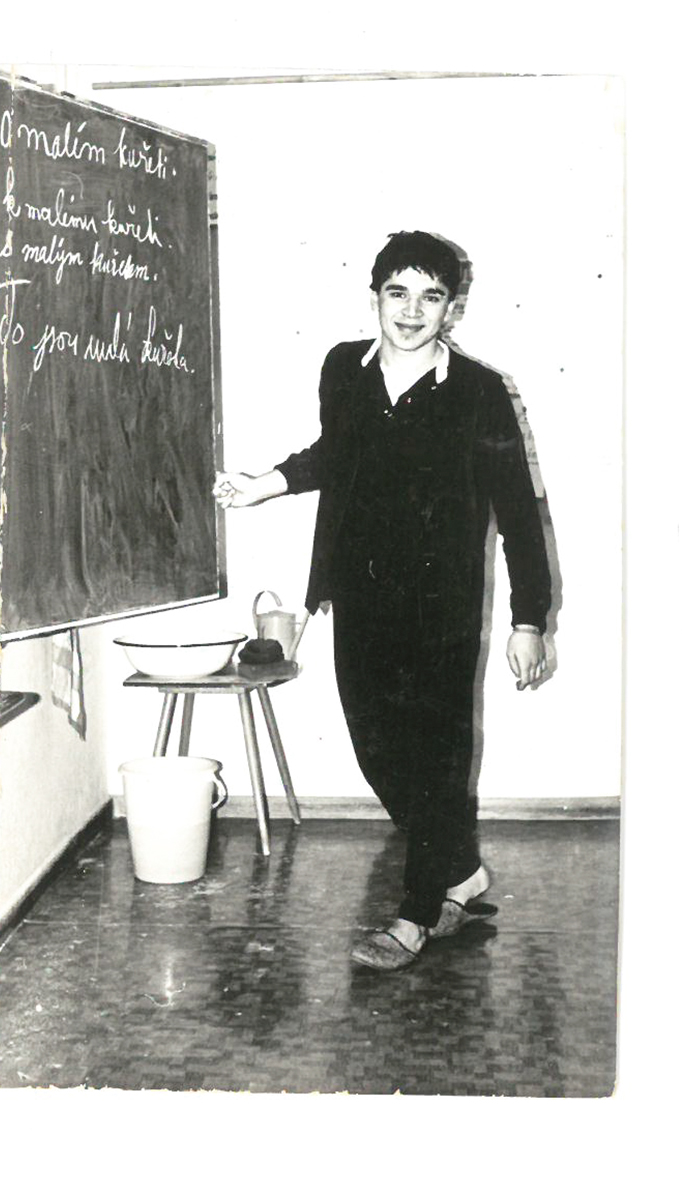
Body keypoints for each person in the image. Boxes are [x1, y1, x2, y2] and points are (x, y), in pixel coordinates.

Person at [213, 230, 551, 971]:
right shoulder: (344, 368)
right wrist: (266, 483)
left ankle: (416, 915)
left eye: (432, 295)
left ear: (452, 308)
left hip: (442, 607)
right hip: (359, 594)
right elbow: (338, 453)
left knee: (436, 757)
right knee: (376, 749)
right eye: (398, 291)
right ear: (375, 296)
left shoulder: (479, 391)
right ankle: (461, 873)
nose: (412, 310)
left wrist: (529, 619)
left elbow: (519, 513)